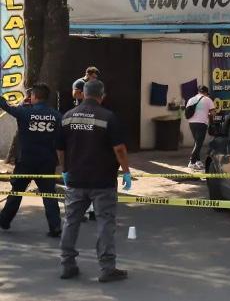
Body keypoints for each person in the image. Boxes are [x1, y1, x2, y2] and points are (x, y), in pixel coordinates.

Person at [56, 80, 132, 283]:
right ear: (102, 95)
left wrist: (65, 170)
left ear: (82, 94)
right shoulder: (108, 117)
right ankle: (107, 268)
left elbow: (60, 148)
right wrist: (126, 171)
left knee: (70, 221)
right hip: (103, 181)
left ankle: (67, 265)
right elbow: (119, 149)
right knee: (105, 223)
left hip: (75, 179)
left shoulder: (67, 116)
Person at [0, 84, 62, 237]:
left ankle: (4, 221)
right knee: (49, 194)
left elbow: (5, 106)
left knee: (16, 191)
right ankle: (55, 226)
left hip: (26, 161)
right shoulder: (56, 115)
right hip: (47, 161)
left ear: (34, 96)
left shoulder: (24, 112)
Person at [185, 85, 215, 171]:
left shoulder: (191, 99)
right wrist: (208, 114)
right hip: (201, 123)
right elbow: (213, 113)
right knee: (199, 143)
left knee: (197, 142)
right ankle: (192, 162)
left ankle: (198, 161)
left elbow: (187, 111)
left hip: (191, 123)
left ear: (198, 92)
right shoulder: (207, 99)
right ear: (206, 92)